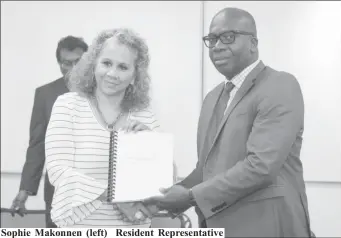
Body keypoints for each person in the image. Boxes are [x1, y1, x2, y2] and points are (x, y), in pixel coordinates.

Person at [145, 7, 314, 237]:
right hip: (217, 227)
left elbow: (261, 166)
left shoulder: (279, 85)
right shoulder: (212, 97)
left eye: (228, 37)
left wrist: (190, 197)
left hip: (266, 226)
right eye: (212, 39)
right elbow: (207, 168)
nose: (217, 46)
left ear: (253, 43)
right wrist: (169, 195)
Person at [45, 28, 161, 228]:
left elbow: (162, 183)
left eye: (123, 67)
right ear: (93, 64)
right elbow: (59, 171)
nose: (112, 74)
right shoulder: (67, 105)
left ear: (135, 74)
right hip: (79, 226)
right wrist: (117, 196)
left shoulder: (145, 114)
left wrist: (152, 147)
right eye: (106, 63)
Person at [10, 36, 89, 228]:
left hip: (95, 191)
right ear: (59, 63)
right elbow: (37, 145)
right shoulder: (45, 94)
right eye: (66, 63)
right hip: (58, 192)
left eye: (78, 62)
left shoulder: (104, 92)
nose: (72, 68)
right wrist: (25, 189)